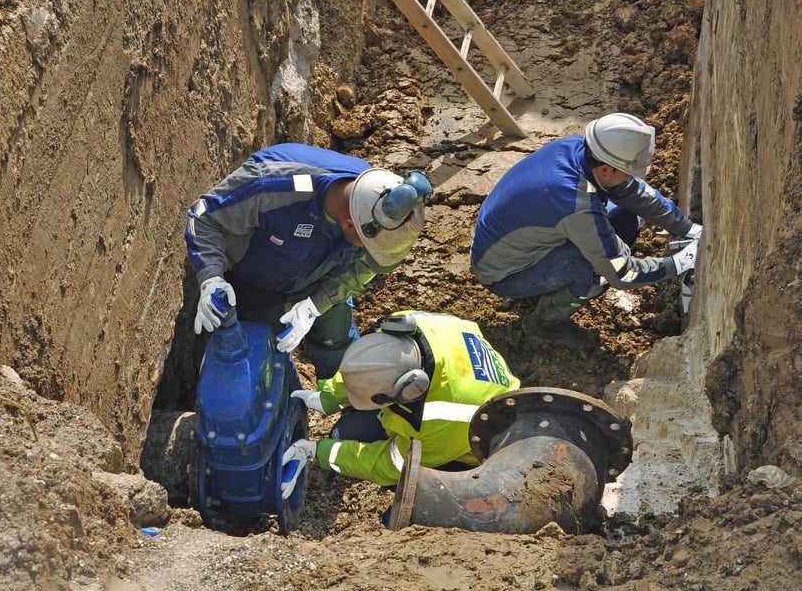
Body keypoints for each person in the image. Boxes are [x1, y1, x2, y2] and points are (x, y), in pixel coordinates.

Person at [185, 143, 433, 379]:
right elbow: (205, 218)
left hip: (323, 276)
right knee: (260, 353)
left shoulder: (376, 205)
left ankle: (346, 397)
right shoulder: (272, 187)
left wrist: (315, 305)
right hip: (254, 282)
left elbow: (362, 267)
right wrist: (211, 276)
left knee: (335, 344)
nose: (368, 252)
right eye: (366, 247)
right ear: (349, 225)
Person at [469, 112, 702, 349]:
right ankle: (544, 325)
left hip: (508, 239)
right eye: (626, 170)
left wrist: (689, 229)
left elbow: (634, 192)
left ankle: (550, 284)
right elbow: (621, 274)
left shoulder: (579, 149)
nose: (630, 176)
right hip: (502, 273)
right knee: (591, 274)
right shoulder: (575, 203)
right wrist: (680, 263)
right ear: (605, 170)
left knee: (624, 220)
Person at [280, 311, 521, 496]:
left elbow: (391, 464)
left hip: (478, 447)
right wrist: (329, 397)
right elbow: (370, 365)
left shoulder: (440, 423)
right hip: (467, 377)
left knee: (348, 434)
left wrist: (319, 452)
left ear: (407, 392)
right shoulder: (400, 327)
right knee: (351, 427)